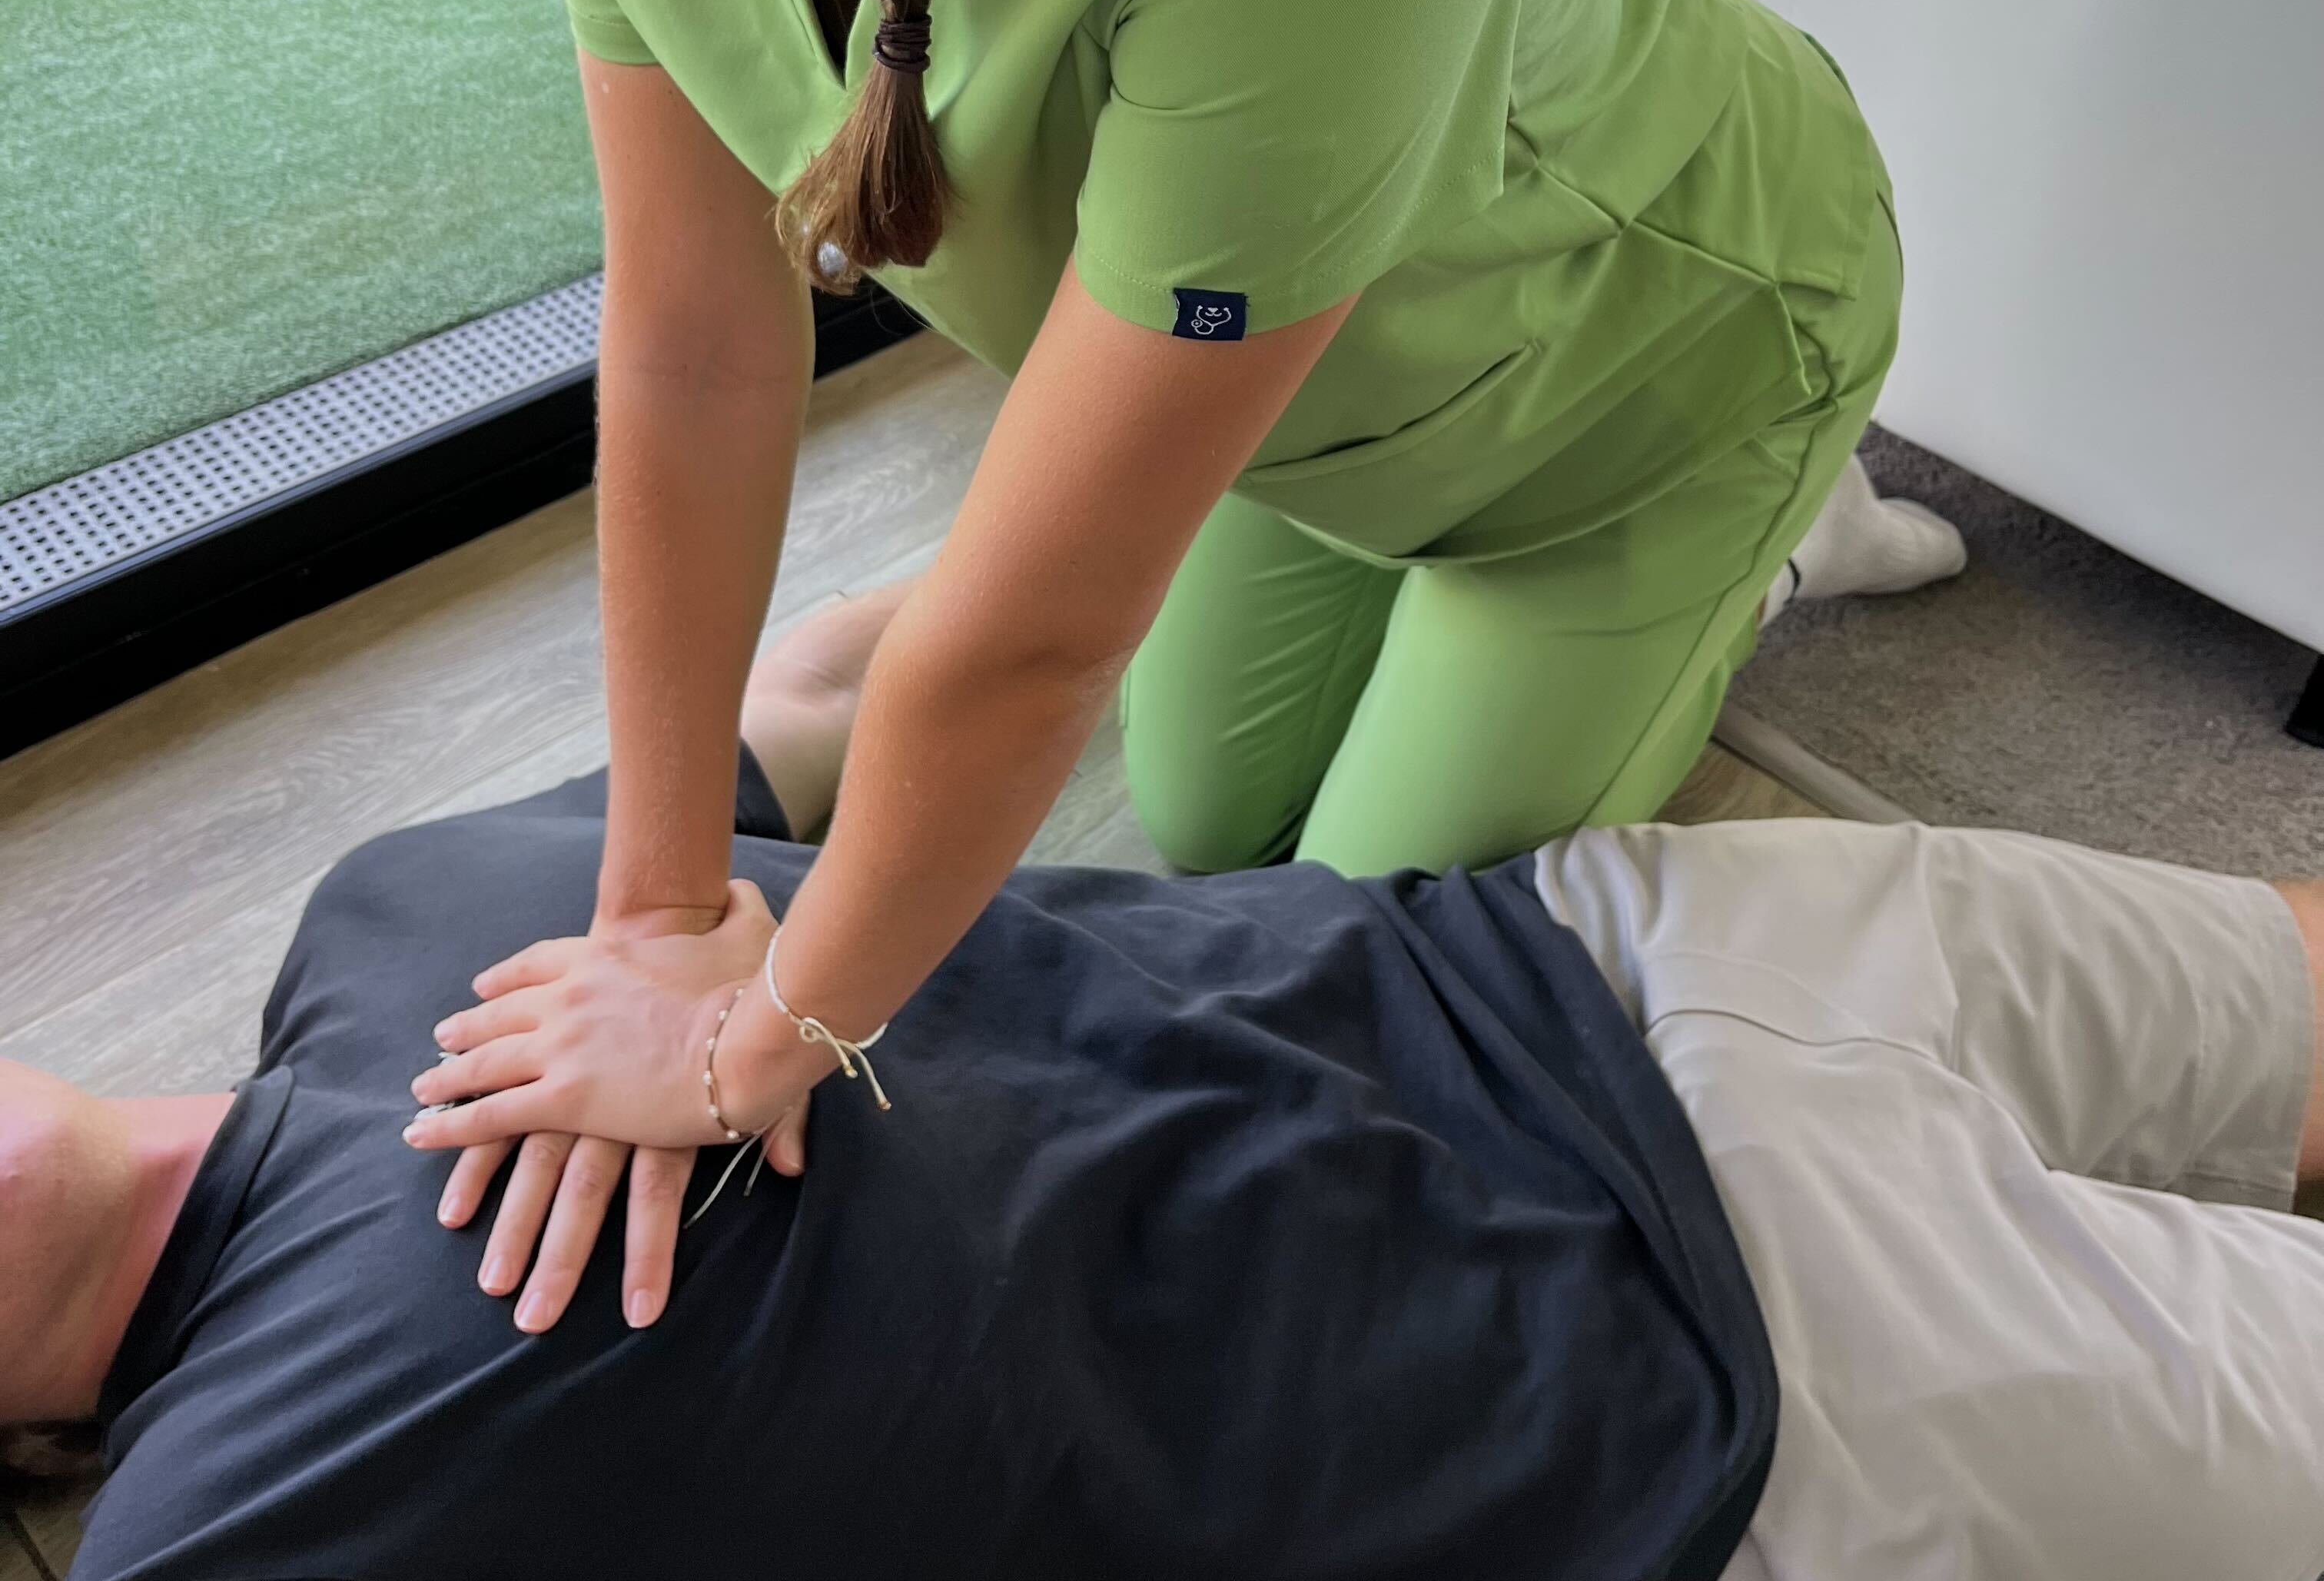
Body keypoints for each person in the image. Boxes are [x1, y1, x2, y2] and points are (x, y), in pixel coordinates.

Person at [0, 0, 1960, 1300]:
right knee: (1210, 818)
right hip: (1307, 432)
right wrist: (660, 909)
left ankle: (1774, 540)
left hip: (1641, 389)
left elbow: (1027, 663)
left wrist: (766, 1040)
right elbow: (688, 346)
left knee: (1361, 979)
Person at [7, 756, 2324, 1580]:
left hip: (1599, 952)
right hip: (1753, 1395)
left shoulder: (388, 898)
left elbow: (861, 675)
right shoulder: (241, 1510)